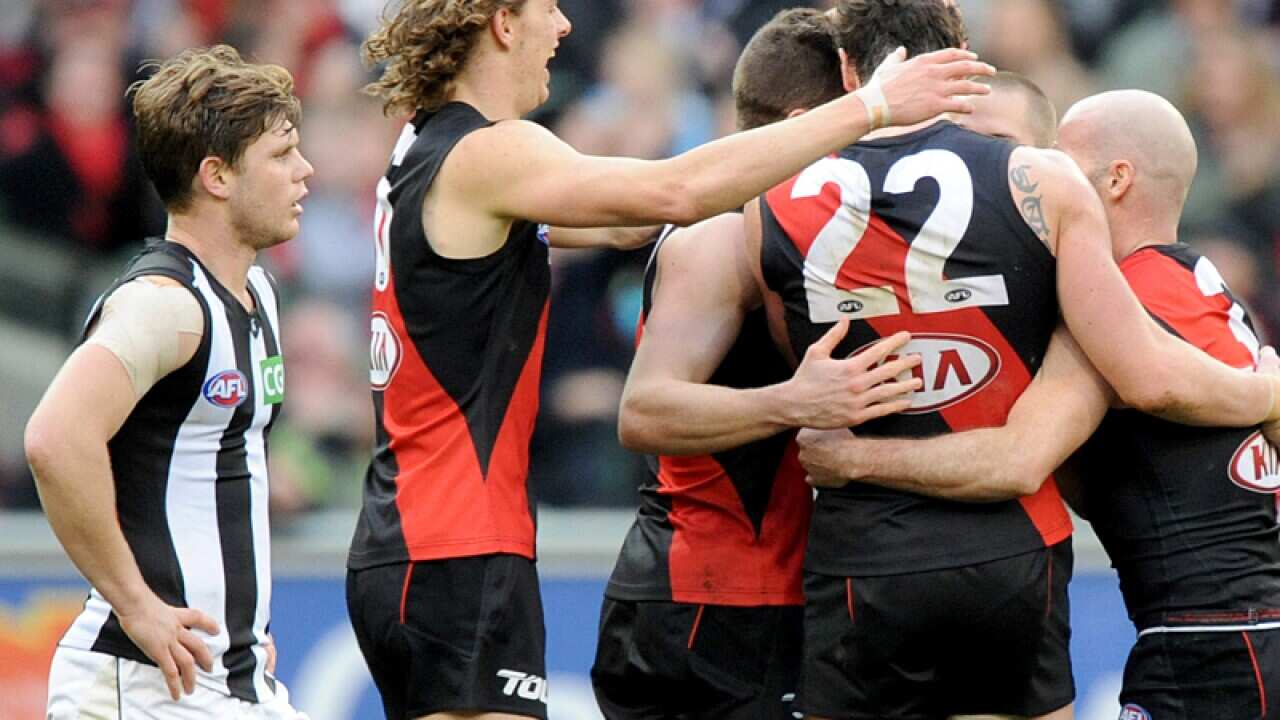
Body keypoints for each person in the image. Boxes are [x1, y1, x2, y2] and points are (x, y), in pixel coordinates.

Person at [342, 1, 995, 719]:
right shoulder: (491, 152)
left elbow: (630, 219)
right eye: (549, 9)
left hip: (414, 537)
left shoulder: (428, 147)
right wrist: (870, 107)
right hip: (456, 539)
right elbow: (675, 194)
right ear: (503, 21)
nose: (563, 27)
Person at [751, 1, 1280, 718]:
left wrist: (853, 460)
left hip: (1209, 646)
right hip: (1226, 629)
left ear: (1114, 181)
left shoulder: (1120, 307)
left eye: (1054, 160)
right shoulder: (1203, 289)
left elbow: (1023, 456)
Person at [593, 10, 922, 720]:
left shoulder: (800, 233)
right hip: (711, 607)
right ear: (805, 123)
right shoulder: (718, 236)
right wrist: (795, 402)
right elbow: (644, 409)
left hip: (762, 601)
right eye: (859, 120)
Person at [24, 45, 313, 719]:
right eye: (282, 154)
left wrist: (246, 631)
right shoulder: (165, 304)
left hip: (231, 679)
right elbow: (55, 439)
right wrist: (139, 608)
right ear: (217, 176)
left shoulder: (258, 294)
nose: (305, 171)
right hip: (147, 685)